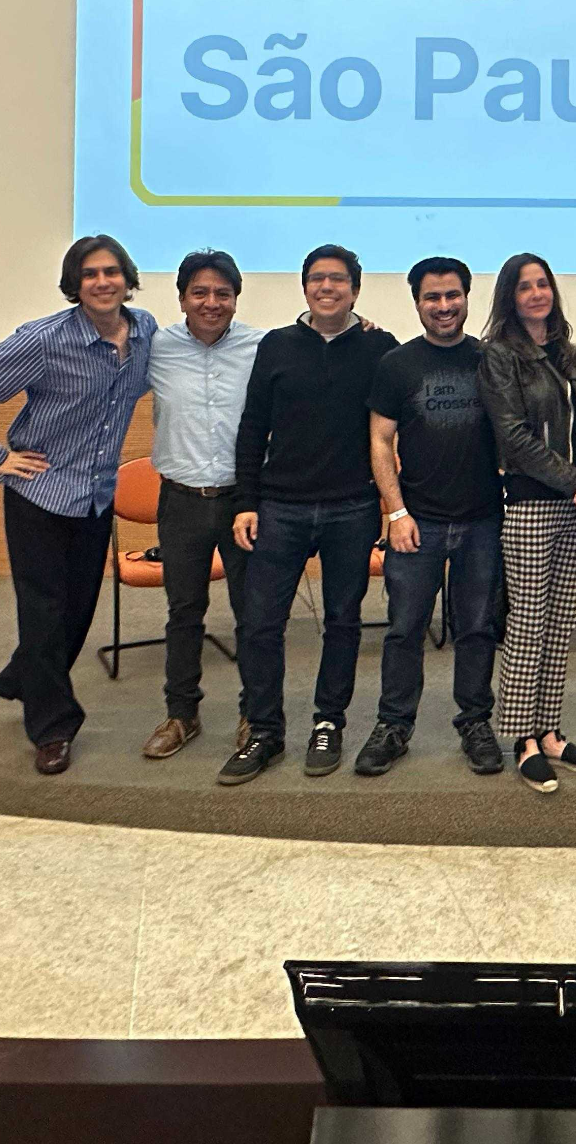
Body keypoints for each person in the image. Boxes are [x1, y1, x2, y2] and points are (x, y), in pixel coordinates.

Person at [0, 235, 155, 775]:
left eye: (110, 272)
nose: (102, 282)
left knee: (77, 612)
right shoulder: (43, 341)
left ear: (127, 278)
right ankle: (53, 728)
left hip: (96, 496)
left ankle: (22, 676)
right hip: (40, 495)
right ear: (74, 285)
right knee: (43, 611)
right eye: (89, 275)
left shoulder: (145, 330)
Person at [217, 245, 398, 785]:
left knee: (343, 622)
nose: (327, 288)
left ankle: (328, 722)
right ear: (304, 288)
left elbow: (389, 429)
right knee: (262, 623)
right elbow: (252, 428)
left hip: (352, 507)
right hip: (280, 506)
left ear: (355, 290)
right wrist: (246, 501)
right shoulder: (276, 346)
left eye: (338, 280)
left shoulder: (379, 347)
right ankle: (266, 733)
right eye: (317, 279)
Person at [360, 256, 506, 778]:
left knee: (476, 629)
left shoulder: (491, 360)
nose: (443, 306)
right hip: (415, 523)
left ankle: (475, 722)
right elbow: (379, 441)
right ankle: (394, 725)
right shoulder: (397, 364)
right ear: (417, 303)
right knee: (403, 630)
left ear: (468, 298)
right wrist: (395, 512)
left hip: (484, 522)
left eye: (452, 296)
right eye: (432, 298)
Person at [479, 253, 576, 793]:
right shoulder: (499, 356)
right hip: (531, 503)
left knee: (560, 625)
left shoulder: (566, 355)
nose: (536, 293)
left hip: (575, 503)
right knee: (528, 623)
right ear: (510, 297)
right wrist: (575, 483)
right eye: (524, 287)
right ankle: (522, 738)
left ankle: (550, 731)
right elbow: (513, 438)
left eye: (543, 284)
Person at [140, 248, 262, 760]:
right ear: (182, 298)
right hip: (182, 499)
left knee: (253, 614)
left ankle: (255, 712)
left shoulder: (262, 346)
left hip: (245, 501)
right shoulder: (154, 347)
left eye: (223, 293)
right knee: (184, 612)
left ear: (235, 298)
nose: (212, 302)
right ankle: (181, 714)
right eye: (200, 293)